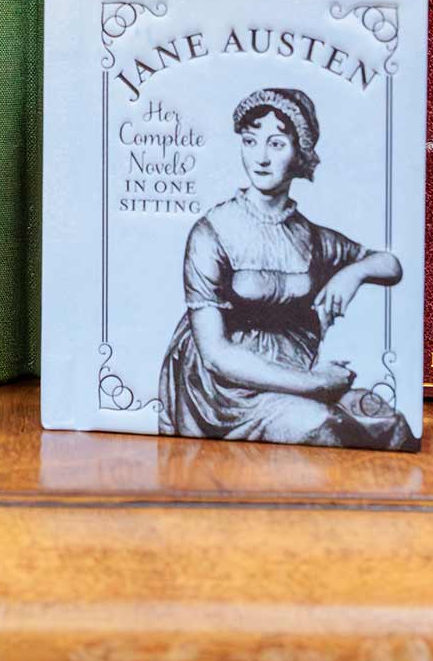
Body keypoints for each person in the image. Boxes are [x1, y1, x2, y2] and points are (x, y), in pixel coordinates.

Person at [157, 86, 411, 448]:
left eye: (276, 144)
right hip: (227, 391)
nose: (260, 158)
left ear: (300, 152)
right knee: (320, 426)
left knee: (389, 423)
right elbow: (216, 356)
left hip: (297, 368)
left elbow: (391, 264)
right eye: (250, 142)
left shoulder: (311, 236)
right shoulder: (212, 231)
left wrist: (351, 274)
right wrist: (317, 384)